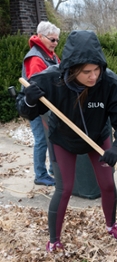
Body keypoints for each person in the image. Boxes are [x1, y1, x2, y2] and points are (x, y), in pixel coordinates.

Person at [17, 30, 117, 251]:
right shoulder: (50, 79)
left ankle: (111, 225)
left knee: (107, 183)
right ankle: (54, 240)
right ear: (72, 70)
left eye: (97, 70)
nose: (93, 77)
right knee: (64, 189)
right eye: (86, 72)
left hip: (97, 137)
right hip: (63, 138)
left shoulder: (109, 82)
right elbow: (26, 110)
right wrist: (29, 100)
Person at [22, 21, 61, 186]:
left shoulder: (50, 55)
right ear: (40, 37)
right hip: (37, 107)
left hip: (49, 106)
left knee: (51, 137)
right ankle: (40, 174)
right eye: (52, 40)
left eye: (57, 40)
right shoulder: (35, 58)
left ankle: (54, 168)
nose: (55, 43)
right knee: (41, 140)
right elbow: (39, 86)